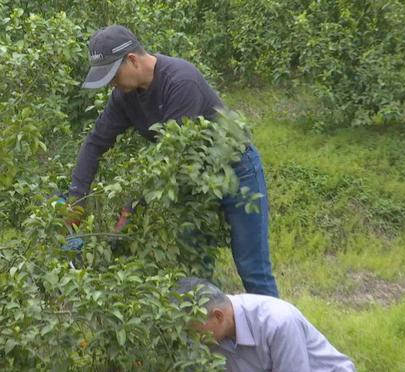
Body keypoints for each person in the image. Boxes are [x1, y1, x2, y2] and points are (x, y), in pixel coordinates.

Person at [70, 24, 279, 297]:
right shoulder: (123, 97)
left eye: (112, 75)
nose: (111, 84)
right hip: (191, 181)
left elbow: (172, 159)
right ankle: (215, 337)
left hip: (236, 172)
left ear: (132, 60)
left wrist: (133, 206)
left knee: (252, 266)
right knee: (197, 268)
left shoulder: (180, 81)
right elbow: (96, 142)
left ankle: (279, 336)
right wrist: (75, 199)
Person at [176, 277, 356, 372]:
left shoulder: (278, 322)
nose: (191, 338)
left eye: (193, 331)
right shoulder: (214, 336)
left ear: (218, 316)